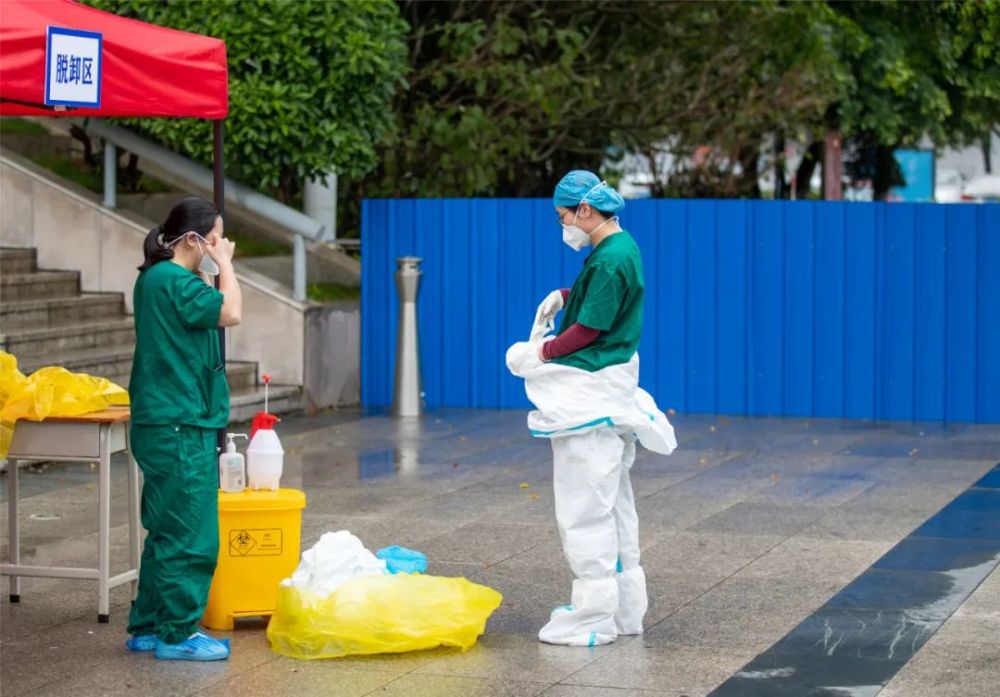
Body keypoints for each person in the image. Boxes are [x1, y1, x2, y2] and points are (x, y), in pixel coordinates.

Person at [525, 170, 675, 646]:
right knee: (613, 504)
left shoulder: (608, 260)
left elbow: (589, 331)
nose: (562, 224)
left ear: (584, 211)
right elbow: (603, 304)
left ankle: (592, 619)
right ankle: (624, 611)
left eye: (563, 215)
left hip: (590, 396)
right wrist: (567, 297)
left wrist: (541, 353)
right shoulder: (618, 248)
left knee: (584, 506)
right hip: (610, 389)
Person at [124, 197, 242, 661]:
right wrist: (226, 267)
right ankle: (177, 633)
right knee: (192, 534)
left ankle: (148, 626)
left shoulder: (154, 278)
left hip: (159, 420)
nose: (220, 244)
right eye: (215, 237)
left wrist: (209, 271)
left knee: (165, 528)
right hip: (181, 422)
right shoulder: (175, 279)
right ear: (194, 239)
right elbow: (230, 312)